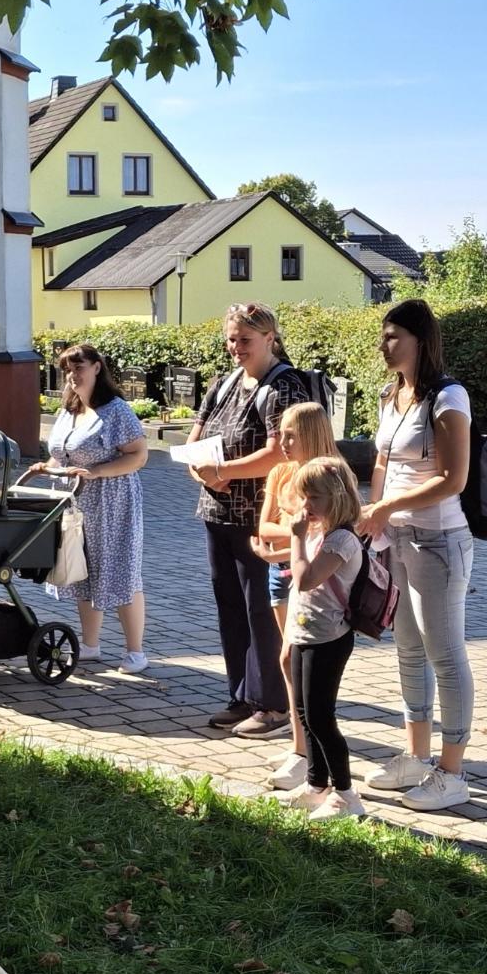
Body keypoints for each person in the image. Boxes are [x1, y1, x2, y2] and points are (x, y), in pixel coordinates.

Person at [359, 299, 480, 813]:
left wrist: (387, 505)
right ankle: (417, 757)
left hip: (439, 540)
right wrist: (376, 512)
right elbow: (383, 462)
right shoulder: (393, 395)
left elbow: (454, 479)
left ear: (419, 340)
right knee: (408, 646)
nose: (385, 346)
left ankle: (452, 772)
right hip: (399, 539)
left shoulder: (449, 397)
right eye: (383, 337)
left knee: (444, 652)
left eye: (394, 337)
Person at [188, 303, 315, 738]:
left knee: (262, 609)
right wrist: (197, 467)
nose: (235, 347)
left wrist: (222, 472)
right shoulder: (223, 384)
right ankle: (242, 695)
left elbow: (281, 452)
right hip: (216, 513)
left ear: (269, 338)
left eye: (245, 339)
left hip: (261, 518)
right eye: (231, 339)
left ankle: (275, 705)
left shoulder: (284, 387)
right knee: (231, 607)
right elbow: (196, 437)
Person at [36, 343, 151, 673]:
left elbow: (139, 455)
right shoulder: (69, 409)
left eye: (79, 367)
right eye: (68, 370)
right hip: (74, 503)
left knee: (120, 572)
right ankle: (90, 645)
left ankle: (135, 652)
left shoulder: (116, 410)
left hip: (112, 503)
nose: (73, 375)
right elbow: (61, 454)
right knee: (82, 571)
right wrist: (45, 468)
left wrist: (98, 471)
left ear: (97, 368)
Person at [267, 457, 366, 820]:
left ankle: (346, 793)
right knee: (306, 713)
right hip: (306, 631)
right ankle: (315, 783)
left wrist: (294, 538)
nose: (306, 505)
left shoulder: (342, 539)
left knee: (322, 717)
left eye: (315, 498)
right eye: (303, 497)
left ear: (337, 497)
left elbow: (307, 578)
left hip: (329, 639)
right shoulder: (319, 531)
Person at [255, 401, 340, 789]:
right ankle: (298, 744)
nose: (283, 442)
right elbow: (265, 527)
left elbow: (328, 528)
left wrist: (290, 535)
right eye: (281, 433)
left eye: (292, 434)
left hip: (315, 579)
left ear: (313, 434)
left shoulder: (330, 475)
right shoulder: (280, 473)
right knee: (287, 660)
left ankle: (307, 754)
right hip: (281, 572)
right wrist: (294, 533)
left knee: (295, 656)